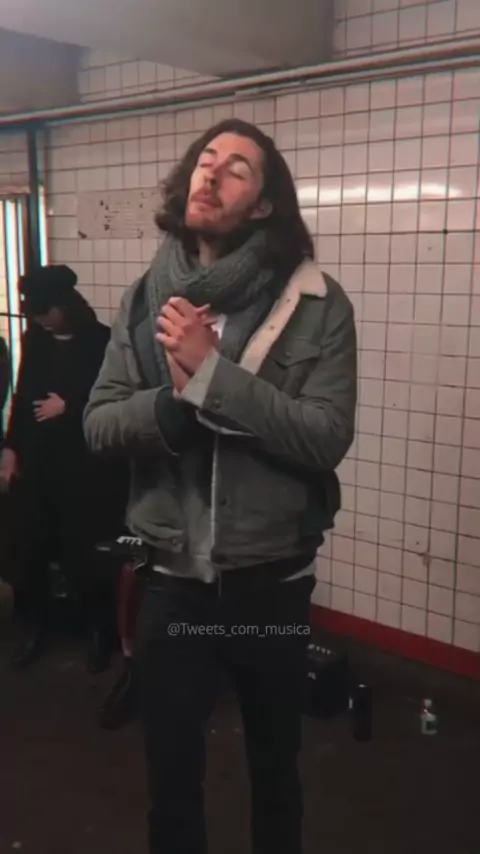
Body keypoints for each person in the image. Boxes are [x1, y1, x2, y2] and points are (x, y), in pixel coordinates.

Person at [84, 119, 357, 854]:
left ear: (264, 204)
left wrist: (211, 376)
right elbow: (99, 424)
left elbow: (326, 435)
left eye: (237, 168)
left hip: (272, 583)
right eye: (206, 160)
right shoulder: (144, 301)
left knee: (275, 766)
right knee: (170, 778)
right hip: (172, 583)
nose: (212, 173)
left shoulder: (315, 301)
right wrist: (178, 404)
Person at [0, 265, 126, 670]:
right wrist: (11, 448)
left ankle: (98, 631)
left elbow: (115, 400)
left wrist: (69, 407)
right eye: (34, 313)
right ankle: (38, 626)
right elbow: (23, 397)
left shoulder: (101, 341)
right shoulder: (36, 339)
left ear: (66, 305)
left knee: (83, 549)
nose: (40, 319)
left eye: (45, 311)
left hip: (84, 465)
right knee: (33, 544)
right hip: (40, 461)